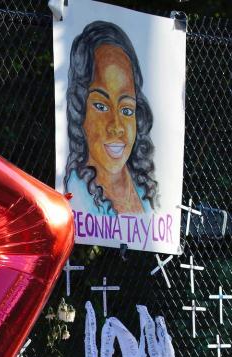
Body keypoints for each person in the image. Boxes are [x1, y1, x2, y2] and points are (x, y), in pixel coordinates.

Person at [64, 21, 158, 216]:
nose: (116, 127)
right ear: (79, 108)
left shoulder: (144, 188)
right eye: (101, 106)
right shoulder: (76, 193)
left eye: (126, 110)